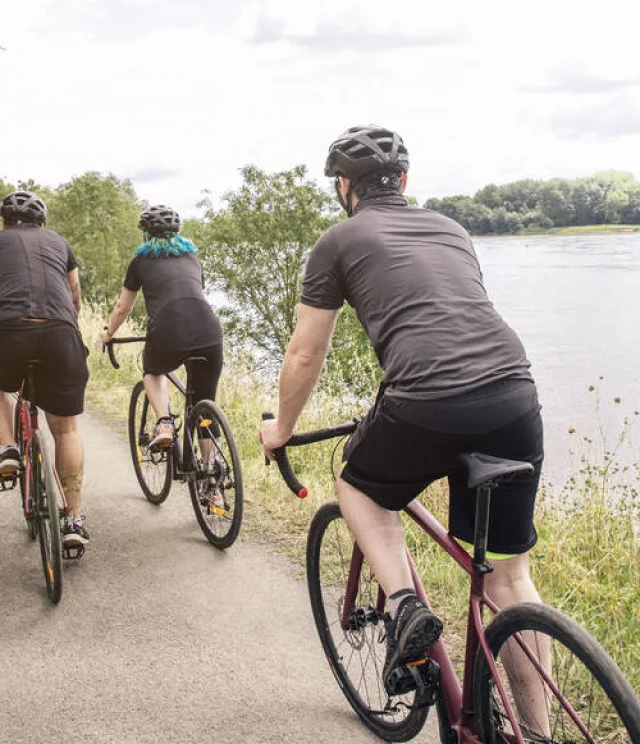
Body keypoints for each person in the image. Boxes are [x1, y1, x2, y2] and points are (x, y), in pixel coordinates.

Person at [260, 125, 546, 707]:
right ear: (405, 181)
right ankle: (540, 728)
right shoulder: (451, 227)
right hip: (514, 393)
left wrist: (282, 429)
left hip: (424, 400)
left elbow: (305, 352)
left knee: (357, 486)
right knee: (510, 579)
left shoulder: (337, 242)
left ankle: (404, 605)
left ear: (344, 186)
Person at [0, 191, 90, 549]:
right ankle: (72, 520)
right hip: (59, 333)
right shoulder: (59, 242)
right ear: (43, 222)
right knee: (66, 430)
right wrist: (68, 325)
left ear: (5, 222)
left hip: (8, 331)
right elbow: (75, 296)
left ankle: (7, 448)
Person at [101, 205, 223, 453]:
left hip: (168, 331)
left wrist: (108, 333)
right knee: (205, 404)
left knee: (153, 372)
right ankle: (212, 480)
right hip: (210, 331)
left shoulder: (140, 261)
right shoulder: (193, 258)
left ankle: (164, 423)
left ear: (145, 233)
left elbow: (123, 307)